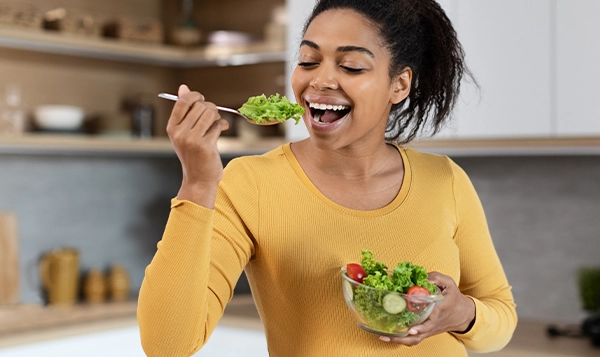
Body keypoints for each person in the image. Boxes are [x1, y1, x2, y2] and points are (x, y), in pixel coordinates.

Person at [137, 0, 517, 355]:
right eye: (308, 61)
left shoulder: (445, 180)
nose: (320, 80)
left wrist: (462, 313)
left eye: (351, 66)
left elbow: (501, 316)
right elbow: (167, 344)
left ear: (398, 85)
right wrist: (199, 184)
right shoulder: (250, 183)